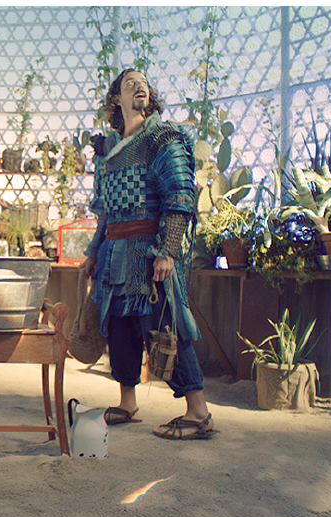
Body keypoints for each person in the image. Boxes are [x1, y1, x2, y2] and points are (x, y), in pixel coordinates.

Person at [80, 68, 216, 440]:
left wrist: (168, 250)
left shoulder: (161, 138)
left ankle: (199, 411)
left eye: (143, 84)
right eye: (129, 84)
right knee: (119, 329)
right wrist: (94, 252)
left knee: (165, 326)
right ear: (116, 100)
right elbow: (104, 210)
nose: (139, 87)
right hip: (113, 253)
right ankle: (127, 402)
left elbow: (179, 196)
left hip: (149, 250)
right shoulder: (108, 150)